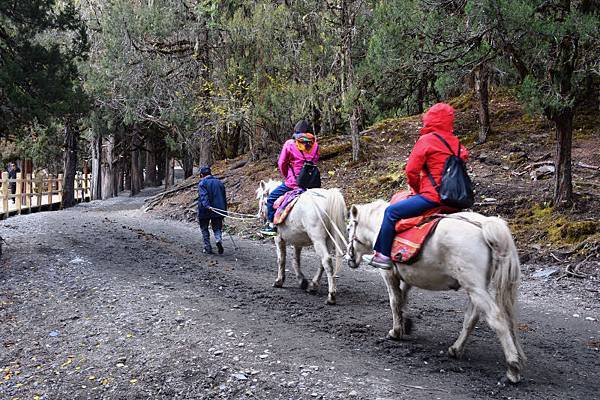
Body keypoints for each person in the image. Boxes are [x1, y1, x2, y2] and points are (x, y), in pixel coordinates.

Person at [363, 103, 469, 269]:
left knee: (391, 212)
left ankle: (383, 255)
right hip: (454, 201)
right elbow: (461, 158)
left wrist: (417, 189)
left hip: (432, 198)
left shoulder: (426, 140)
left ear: (430, 119)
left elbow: (411, 170)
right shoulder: (456, 143)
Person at [259, 120, 320, 236]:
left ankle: (272, 226)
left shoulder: (290, 144)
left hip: (294, 183)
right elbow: (315, 161)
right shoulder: (315, 145)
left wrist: (288, 176)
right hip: (312, 183)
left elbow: (282, 163)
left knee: (271, 198)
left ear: (296, 131)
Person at [197, 166, 227, 254]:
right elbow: (223, 197)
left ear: (201, 174)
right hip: (218, 209)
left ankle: (207, 247)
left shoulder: (202, 183)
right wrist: (224, 210)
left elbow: (204, 196)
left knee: (204, 228)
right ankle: (218, 240)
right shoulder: (219, 182)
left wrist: (207, 205)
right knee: (217, 227)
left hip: (205, 210)